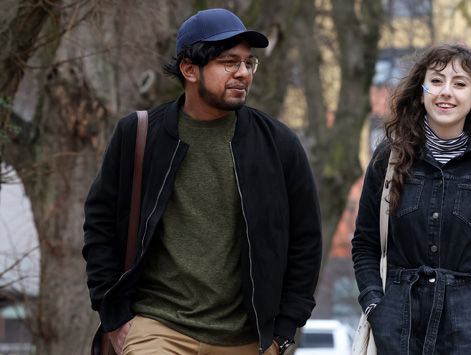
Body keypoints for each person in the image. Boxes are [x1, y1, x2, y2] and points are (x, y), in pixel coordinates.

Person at [82, 8, 322, 355]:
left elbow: (306, 239)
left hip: (248, 340)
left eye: (248, 63)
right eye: (229, 62)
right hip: (157, 329)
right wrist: (115, 317)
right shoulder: (139, 135)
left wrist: (283, 330)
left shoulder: (278, 144)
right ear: (189, 69)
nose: (242, 73)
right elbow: (100, 226)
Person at [351, 44, 471, 354]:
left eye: (460, 83)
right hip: (399, 328)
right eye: (436, 81)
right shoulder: (389, 159)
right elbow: (365, 243)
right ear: (422, 91)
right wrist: (375, 305)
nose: (446, 92)